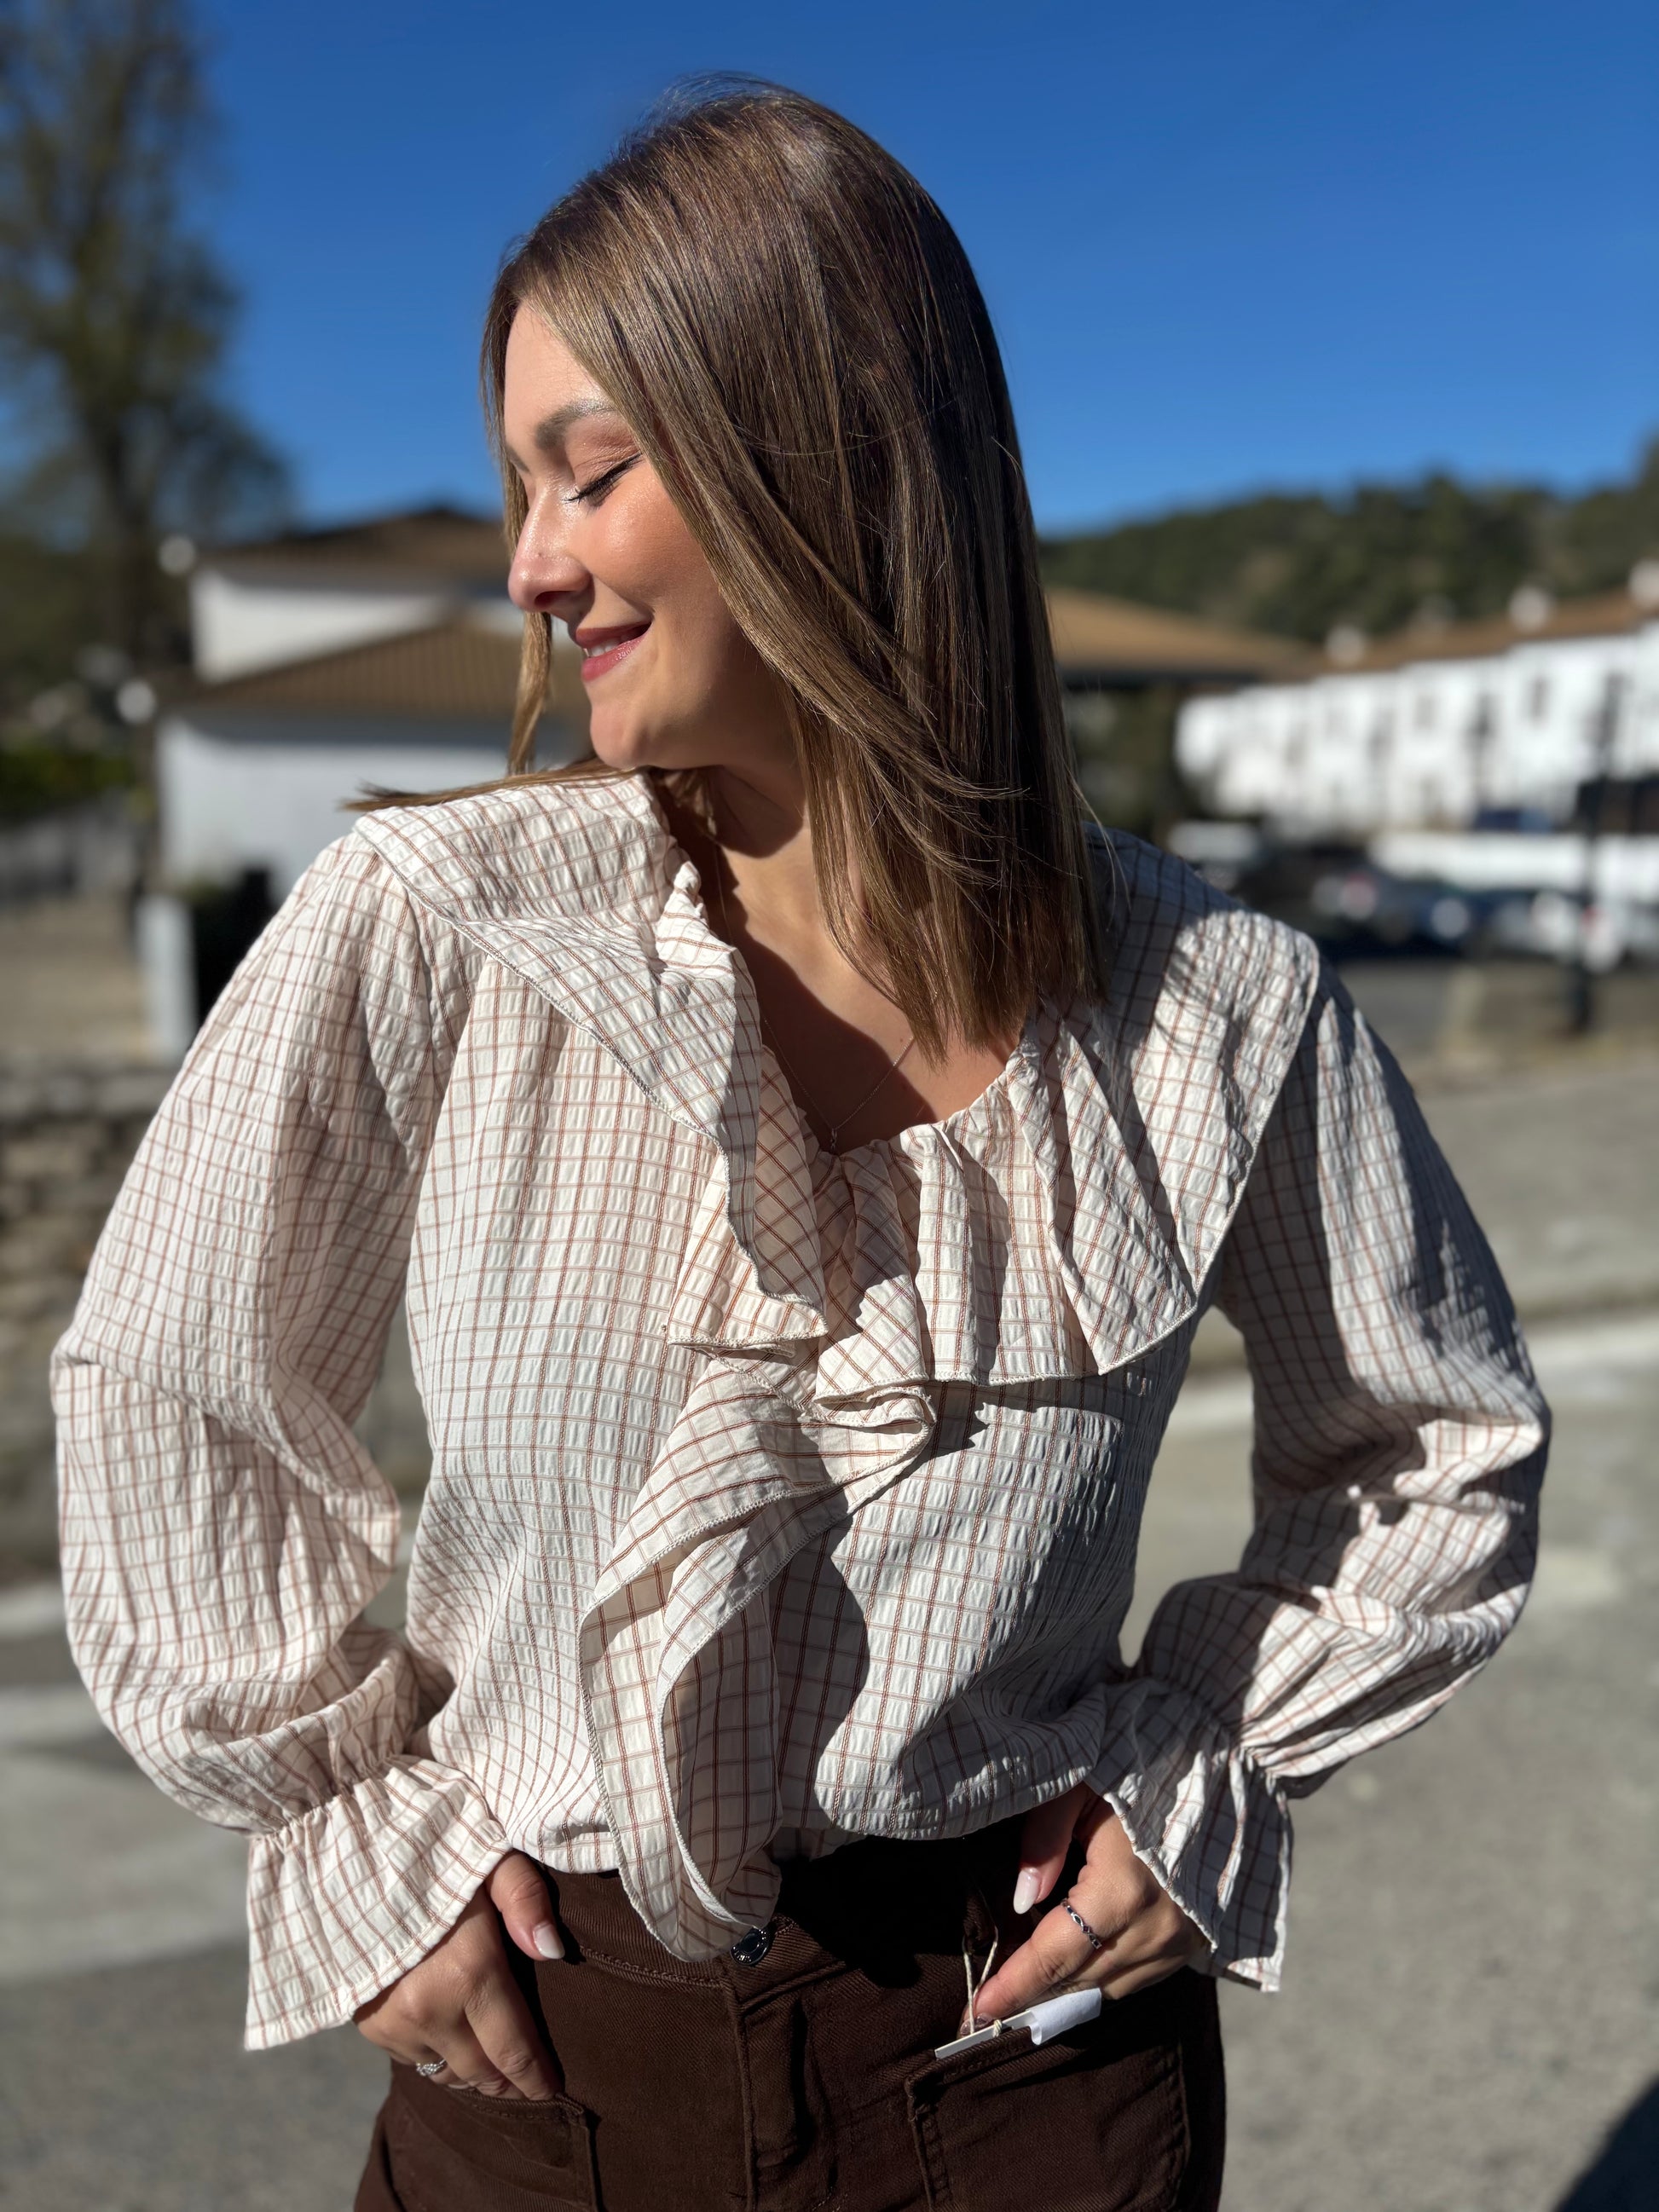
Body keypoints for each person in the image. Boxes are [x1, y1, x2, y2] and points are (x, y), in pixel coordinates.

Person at [54, 84, 1547, 2212]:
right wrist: (354, 1830)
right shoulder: (438, 932)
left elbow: (1431, 1444)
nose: (529, 564)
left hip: (1024, 2075)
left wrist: (1196, 1767)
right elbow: (172, 1390)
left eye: (591, 471)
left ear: (827, 467)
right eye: (521, 485)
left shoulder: (1214, 1005)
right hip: (548, 2067)